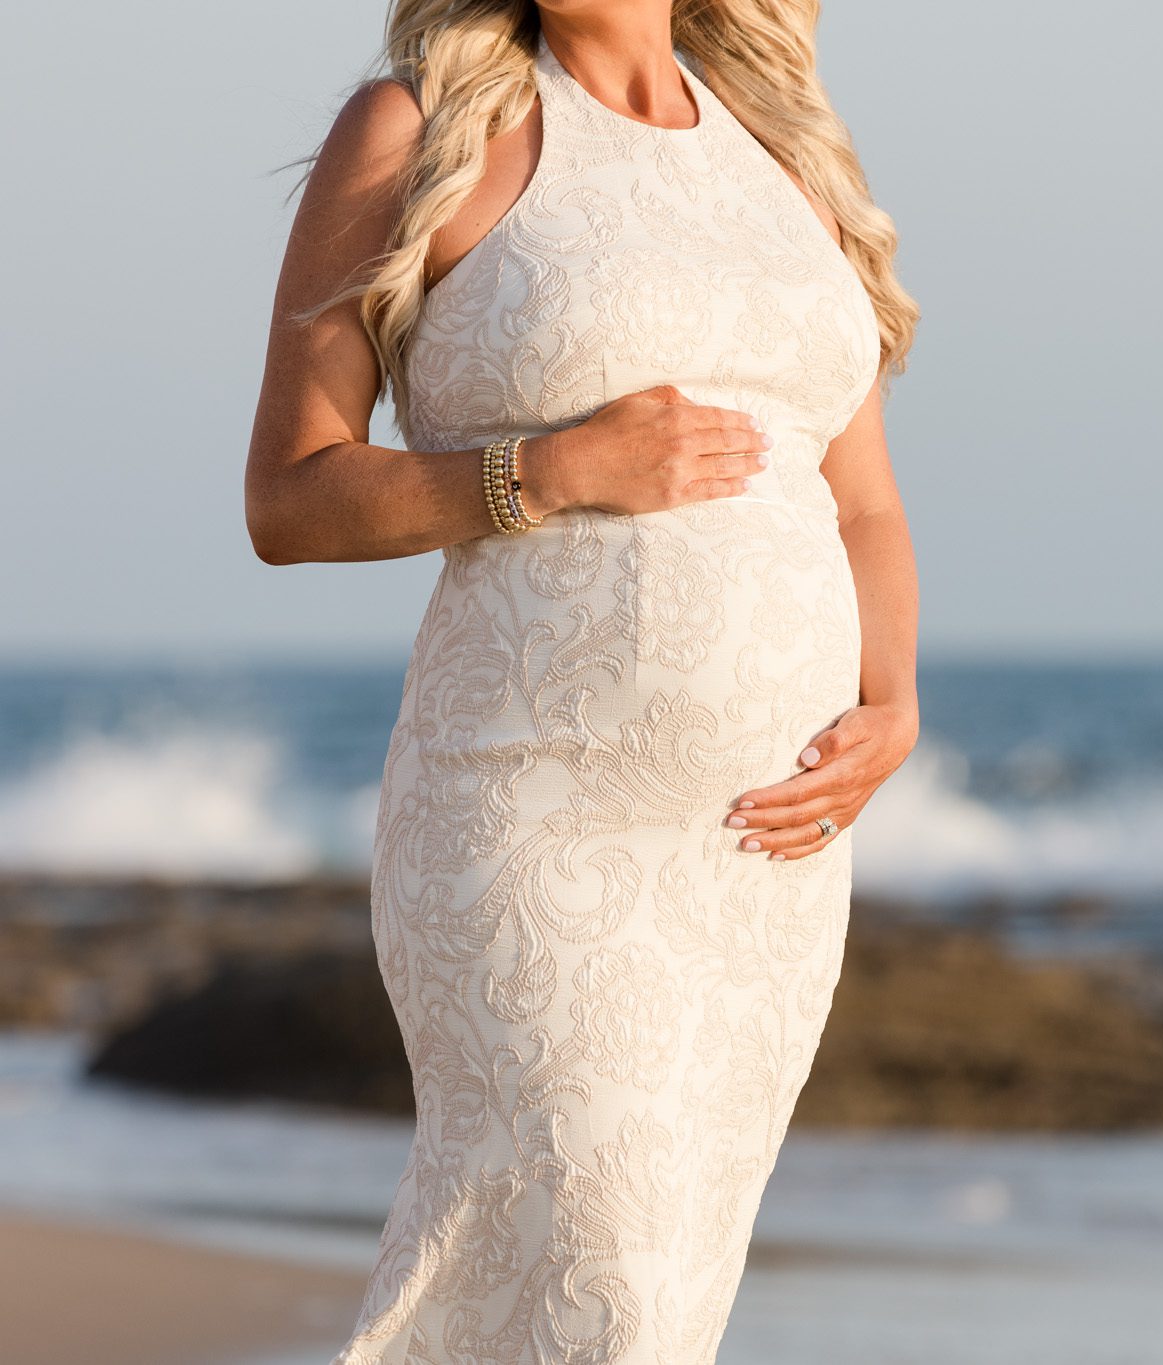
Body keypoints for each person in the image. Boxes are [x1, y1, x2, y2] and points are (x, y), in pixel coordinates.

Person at [242, 2, 921, 1358]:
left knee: (660, 1307)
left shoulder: (784, 152)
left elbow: (862, 508)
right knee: (605, 1291)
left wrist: (891, 697)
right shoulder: (420, 131)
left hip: (759, 864)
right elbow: (290, 495)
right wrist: (546, 471)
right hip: (531, 822)